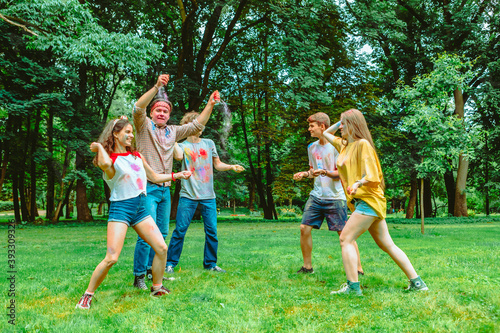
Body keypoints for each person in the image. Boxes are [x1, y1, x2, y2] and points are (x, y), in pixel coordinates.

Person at [76, 117, 192, 309]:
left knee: (162, 248)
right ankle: (87, 296)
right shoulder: (110, 160)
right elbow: (104, 163)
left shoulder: (137, 156)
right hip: (121, 209)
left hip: (140, 209)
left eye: (131, 132)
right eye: (126, 132)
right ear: (115, 134)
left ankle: (157, 287)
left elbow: (153, 176)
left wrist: (176, 175)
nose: (131, 135)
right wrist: (99, 147)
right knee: (111, 257)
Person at [323, 109, 428, 295]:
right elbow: (325, 133)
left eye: (344, 124)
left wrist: (357, 183)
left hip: (368, 200)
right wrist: (340, 121)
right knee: (387, 245)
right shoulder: (344, 146)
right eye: (340, 124)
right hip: (365, 202)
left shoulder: (363, 145)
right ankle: (418, 283)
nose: (340, 128)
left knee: (345, 239)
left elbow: (372, 175)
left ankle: (353, 288)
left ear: (354, 125)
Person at [132, 74, 219, 289]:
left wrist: (209, 104)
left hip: (165, 190)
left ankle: (154, 272)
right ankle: (139, 276)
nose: (161, 113)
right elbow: (136, 108)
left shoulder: (173, 132)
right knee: (146, 235)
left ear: (169, 115)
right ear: (151, 113)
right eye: (158, 110)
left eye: (165, 111)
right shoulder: (143, 127)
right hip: (147, 189)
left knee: (161, 234)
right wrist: (156, 87)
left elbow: (197, 125)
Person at [166, 111, 245, 273]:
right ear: (189, 126)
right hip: (188, 196)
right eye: (197, 123)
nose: (201, 126)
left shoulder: (209, 143)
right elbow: (179, 157)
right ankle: (170, 264)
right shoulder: (182, 146)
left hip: (209, 197)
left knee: (212, 232)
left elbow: (218, 164)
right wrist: (173, 138)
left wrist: (231, 166)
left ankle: (210, 264)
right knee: (180, 230)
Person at [293, 112, 364, 275]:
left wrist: (324, 172)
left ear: (322, 126)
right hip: (317, 196)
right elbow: (314, 171)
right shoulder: (311, 147)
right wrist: (305, 174)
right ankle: (307, 267)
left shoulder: (338, 146)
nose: (309, 129)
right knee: (304, 228)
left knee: (345, 234)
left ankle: (358, 268)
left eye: (312, 126)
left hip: (336, 197)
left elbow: (342, 173)